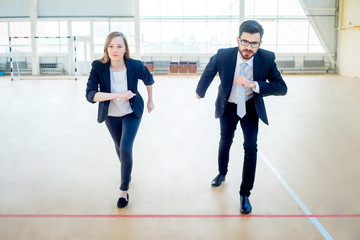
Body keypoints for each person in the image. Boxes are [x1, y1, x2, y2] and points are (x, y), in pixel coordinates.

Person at [195, 20, 287, 214]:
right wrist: (200, 91)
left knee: (251, 146)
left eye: (254, 43)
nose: (248, 47)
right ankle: (222, 172)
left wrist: (254, 84)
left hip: (251, 108)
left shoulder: (267, 58)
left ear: (260, 43)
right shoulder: (223, 55)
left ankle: (245, 193)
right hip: (228, 106)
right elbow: (209, 71)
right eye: (245, 42)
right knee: (225, 140)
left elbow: (281, 87)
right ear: (238, 39)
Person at [86, 32, 154, 208]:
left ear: (125, 49)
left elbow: (149, 80)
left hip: (132, 111)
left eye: (119, 46)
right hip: (111, 114)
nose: (115, 50)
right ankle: (127, 172)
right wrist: (117, 95)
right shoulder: (98, 67)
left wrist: (150, 100)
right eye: (111, 46)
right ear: (106, 49)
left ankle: (123, 190)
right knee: (119, 147)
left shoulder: (134, 65)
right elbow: (90, 95)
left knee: (125, 147)